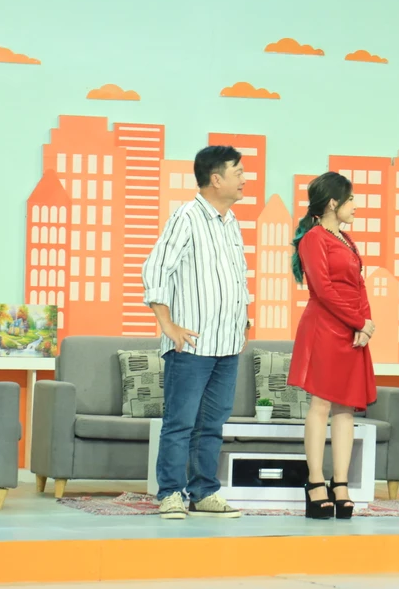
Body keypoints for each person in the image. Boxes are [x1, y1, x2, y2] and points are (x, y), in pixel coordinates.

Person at [142, 145, 249, 520]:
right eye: (238, 172)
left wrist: (243, 321)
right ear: (216, 179)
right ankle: (170, 493)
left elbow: (235, 279)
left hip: (227, 345)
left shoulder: (231, 222)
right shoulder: (186, 217)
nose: (244, 178)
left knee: (212, 425)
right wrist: (167, 323)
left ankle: (204, 492)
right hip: (191, 345)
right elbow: (156, 269)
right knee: (180, 424)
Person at [288, 171, 377, 520]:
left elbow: (359, 285)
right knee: (321, 404)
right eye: (351, 199)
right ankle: (315, 483)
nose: (356, 205)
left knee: (346, 408)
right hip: (324, 328)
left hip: (351, 330)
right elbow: (323, 290)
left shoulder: (346, 239)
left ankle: (340, 484)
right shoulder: (313, 238)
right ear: (332, 203)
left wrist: (366, 324)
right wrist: (358, 321)